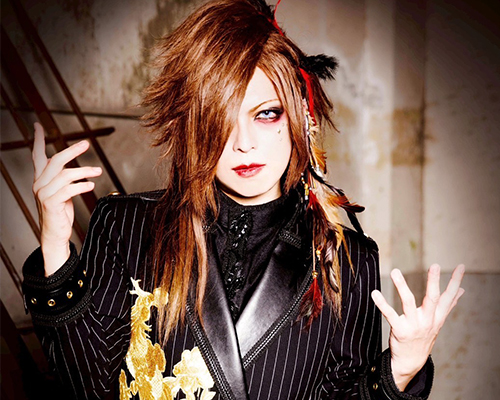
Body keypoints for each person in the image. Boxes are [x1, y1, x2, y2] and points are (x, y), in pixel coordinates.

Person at [22, 0, 465, 399]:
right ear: (193, 127)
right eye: (220, 119)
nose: (243, 143)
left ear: (300, 116)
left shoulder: (347, 260)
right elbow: (90, 385)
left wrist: (400, 371)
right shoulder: (127, 226)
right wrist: (56, 248)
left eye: (266, 114)